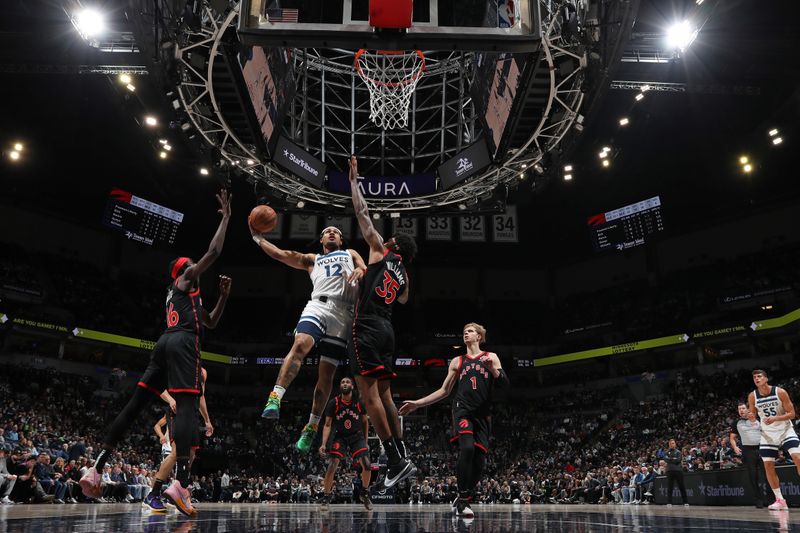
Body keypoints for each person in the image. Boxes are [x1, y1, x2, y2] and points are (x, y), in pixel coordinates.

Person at [80, 190, 233, 517]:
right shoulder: (185, 280)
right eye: (191, 266)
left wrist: (222, 297)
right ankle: (181, 483)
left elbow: (213, 322)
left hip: (165, 343)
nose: (196, 267)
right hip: (182, 343)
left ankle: (95, 469)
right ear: (182, 272)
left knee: (136, 404)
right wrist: (226, 218)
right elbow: (215, 250)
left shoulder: (187, 297)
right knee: (190, 404)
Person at [253, 221, 367, 454]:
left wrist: (361, 270)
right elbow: (281, 254)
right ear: (322, 240)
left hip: (344, 315)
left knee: (326, 375)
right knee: (301, 344)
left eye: (336, 231)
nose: (332, 232)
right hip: (318, 305)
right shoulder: (312, 259)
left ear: (341, 240)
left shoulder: (350, 253)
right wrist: (257, 238)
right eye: (327, 231)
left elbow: (364, 267)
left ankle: (312, 426)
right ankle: (276, 396)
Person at [347, 155, 418, 489]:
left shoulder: (380, 250)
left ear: (393, 245)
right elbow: (403, 298)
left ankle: (394, 458)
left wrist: (354, 182)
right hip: (389, 330)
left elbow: (362, 215)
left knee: (368, 397)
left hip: (368, 326)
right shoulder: (403, 273)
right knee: (386, 396)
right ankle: (400, 449)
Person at [399, 323, 510, 517]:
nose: (466, 333)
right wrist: (418, 403)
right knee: (467, 448)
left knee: (480, 464)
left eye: (470, 331)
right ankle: (463, 499)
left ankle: (462, 497)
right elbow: (444, 391)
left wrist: (493, 370)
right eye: (464, 331)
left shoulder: (491, 357)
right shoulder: (458, 361)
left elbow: (505, 385)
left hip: (483, 414)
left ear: (479, 336)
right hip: (462, 410)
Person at [145, 368, 213, 512]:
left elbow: (201, 397)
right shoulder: (177, 362)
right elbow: (157, 383)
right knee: (176, 453)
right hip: (177, 411)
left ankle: (179, 492)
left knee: (192, 453)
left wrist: (207, 420)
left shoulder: (203, 372)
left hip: (193, 414)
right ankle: (153, 494)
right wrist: (170, 399)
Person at [748, 368, 800, 511]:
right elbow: (753, 415)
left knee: (797, 457)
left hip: (785, 430)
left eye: (759, 376)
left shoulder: (780, 392)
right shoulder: (752, 396)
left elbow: (792, 414)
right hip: (767, 433)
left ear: (766, 379)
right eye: (754, 378)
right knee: (768, 466)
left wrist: (776, 418)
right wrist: (751, 418)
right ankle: (780, 500)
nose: (757, 379)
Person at [318, 377, 373, 510]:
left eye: (347, 382)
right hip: (340, 436)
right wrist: (323, 444)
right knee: (332, 465)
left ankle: (364, 493)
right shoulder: (334, 403)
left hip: (356, 436)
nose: (345, 384)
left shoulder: (359, 402)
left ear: (352, 386)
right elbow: (327, 424)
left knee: (367, 464)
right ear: (340, 386)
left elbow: (365, 422)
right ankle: (326, 496)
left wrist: (365, 441)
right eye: (342, 382)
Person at [730, 401, 765, 508]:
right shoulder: (736, 422)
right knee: (753, 477)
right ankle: (758, 500)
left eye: (743, 408)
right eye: (739, 409)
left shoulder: (758, 419)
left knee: (768, 474)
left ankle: (773, 499)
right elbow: (732, 437)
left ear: (748, 409)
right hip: (748, 451)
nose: (741, 410)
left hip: (762, 448)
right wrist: (735, 447)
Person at [664, 439, 688, 506]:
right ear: (669, 445)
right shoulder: (666, 452)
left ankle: (685, 502)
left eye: (673, 443)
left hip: (678, 471)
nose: (672, 444)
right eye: (671, 443)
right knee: (670, 487)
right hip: (669, 471)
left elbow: (678, 460)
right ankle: (669, 502)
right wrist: (673, 459)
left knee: (681, 486)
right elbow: (665, 459)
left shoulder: (678, 452)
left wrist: (670, 459)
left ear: (675, 444)